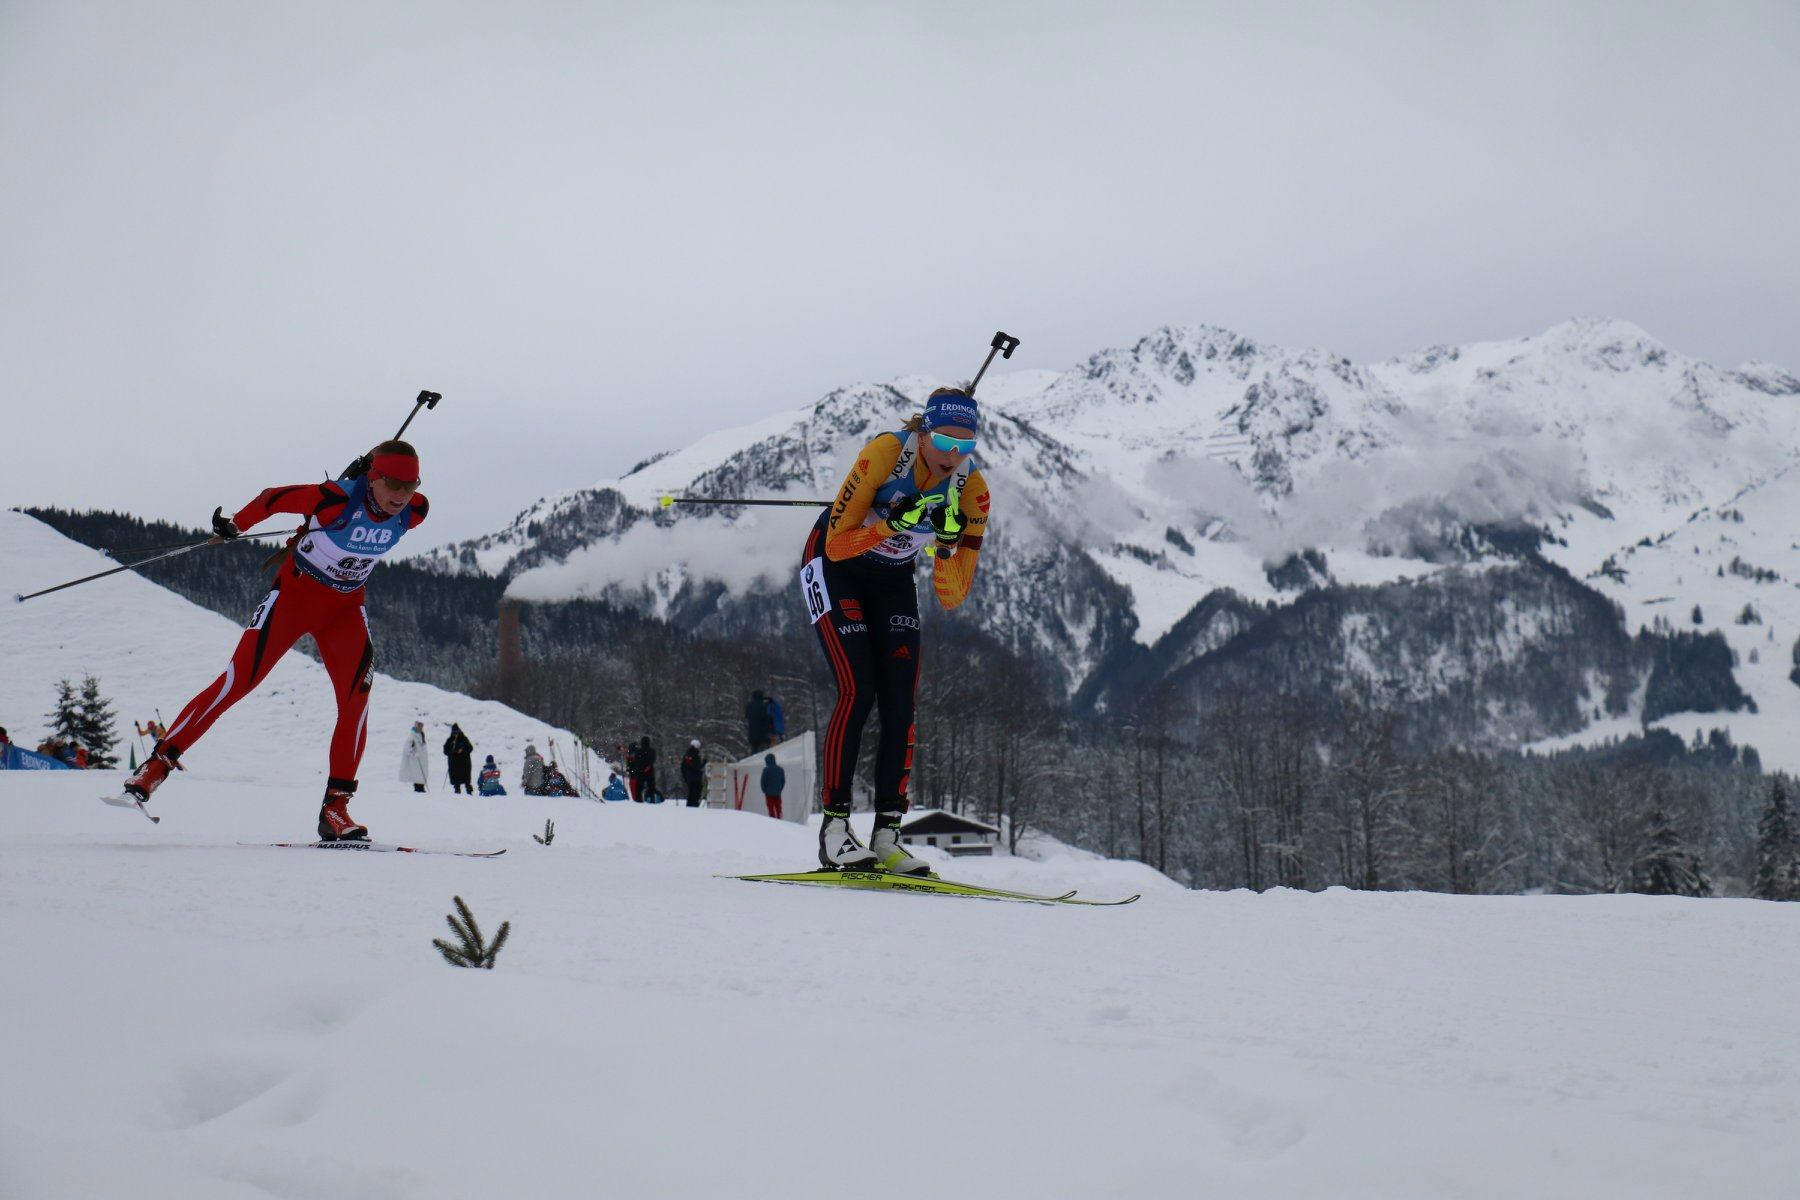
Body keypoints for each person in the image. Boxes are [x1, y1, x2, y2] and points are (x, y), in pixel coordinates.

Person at [118, 441, 428, 839]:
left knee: (357, 703)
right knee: (236, 682)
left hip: (345, 611)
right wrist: (236, 525)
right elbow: (272, 499)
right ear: (373, 477)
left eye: (410, 486)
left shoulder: (416, 511)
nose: (402, 495)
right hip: (293, 600)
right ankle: (156, 766)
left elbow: (393, 503)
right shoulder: (334, 499)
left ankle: (335, 809)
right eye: (393, 484)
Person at [801, 386, 989, 874]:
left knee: (901, 703)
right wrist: (889, 526)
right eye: (944, 441)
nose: (953, 454)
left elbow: (951, 595)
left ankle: (887, 835)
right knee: (858, 689)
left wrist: (945, 546)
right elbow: (838, 546)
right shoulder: (886, 453)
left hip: (892, 579)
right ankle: (835, 830)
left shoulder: (972, 490)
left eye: (965, 445)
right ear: (923, 433)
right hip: (835, 566)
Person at [443, 723, 474, 794]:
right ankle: (457, 791)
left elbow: (470, 748)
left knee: (466, 778)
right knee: (456, 779)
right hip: (454, 763)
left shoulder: (464, 739)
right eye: (454, 733)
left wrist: (463, 750)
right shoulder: (450, 740)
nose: (455, 734)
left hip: (464, 762)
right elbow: (445, 751)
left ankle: (469, 791)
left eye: (457, 732)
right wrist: (452, 751)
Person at [400, 720, 429, 793]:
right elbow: (407, 749)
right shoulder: (412, 736)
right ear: (416, 726)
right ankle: (418, 789)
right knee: (417, 776)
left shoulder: (421, 735)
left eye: (422, 726)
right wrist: (414, 753)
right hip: (416, 761)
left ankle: (421, 788)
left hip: (422, 761)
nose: (421, 727)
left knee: (421, 776)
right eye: (420, 726)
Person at [632, 734, 657, 804]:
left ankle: (638, 801)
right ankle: (651, 800)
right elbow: (653, 760)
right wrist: (648, 765)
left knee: (639, 788)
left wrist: (640, 768)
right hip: (650, 771)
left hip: (640, 771)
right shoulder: (652, 751)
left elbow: (636, 761)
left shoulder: (638, 751)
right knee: (651, 787)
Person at [760, 752, 786, 820]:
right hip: (778, 793)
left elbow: (763, 782)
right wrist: (780, 789)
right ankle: (780, 821)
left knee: (771, 810)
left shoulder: (766, 770)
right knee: (778, 809)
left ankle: (773, 822)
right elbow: (783, 781)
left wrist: (765, 790)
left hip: (769, 794)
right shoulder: (780, 769)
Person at [680, 738, 705, 808]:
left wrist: (685, 777)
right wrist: (704, 763)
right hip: (696, 778)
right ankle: (694, 807)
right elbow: (697, 767)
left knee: (691, 794)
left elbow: (683, 767)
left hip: (689, 777)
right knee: (696, 793)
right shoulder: (695, 755)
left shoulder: (687, 755)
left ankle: (690, 806)